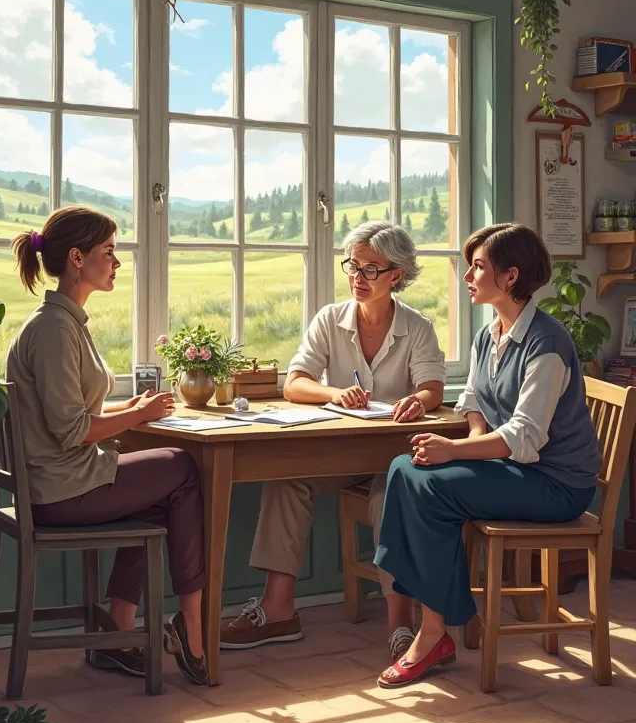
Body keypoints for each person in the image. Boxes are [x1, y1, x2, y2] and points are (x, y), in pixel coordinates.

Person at [375, 223, 601, 687]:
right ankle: (438, 626)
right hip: (515, 468)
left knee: (430, 484)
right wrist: (469, 446)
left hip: (557, 484)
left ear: (511, 275)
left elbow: (525, 435)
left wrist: (456, 450)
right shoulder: (488, 334)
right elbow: (475, 403)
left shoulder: (548, 342)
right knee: (404, 468)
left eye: (478, 266)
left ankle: (434, 631)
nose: (468, 276)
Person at [221, 220, 446, 661]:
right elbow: (296, 383)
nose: (358, 278)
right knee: (286, 480)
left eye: (371, 270)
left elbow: (433, 389)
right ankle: (278, 609)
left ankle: (401, 623)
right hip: (343, 452)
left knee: (391, 496)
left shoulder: (417, 327)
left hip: (395, 458)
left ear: (396, 275)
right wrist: (334, 393)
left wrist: (418, 402)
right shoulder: (330, 318)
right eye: (353, 267)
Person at [6, 206, 208, 686]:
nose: (117, 262)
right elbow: (72, 430)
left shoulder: (65, 321)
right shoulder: (56, 330)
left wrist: (129, 407)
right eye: (109, 252)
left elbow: (72, 417)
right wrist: (138, 415)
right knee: (181, 467)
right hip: (60, 492)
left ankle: (121, 629)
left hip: (61, 482)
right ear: (77, 258)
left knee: (165, 491)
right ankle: (192, 628)